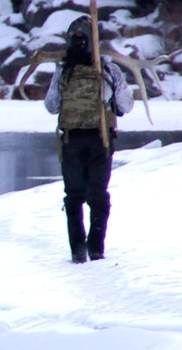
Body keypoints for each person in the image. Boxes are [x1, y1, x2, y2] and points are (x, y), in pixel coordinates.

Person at [43, 15, 132, 262]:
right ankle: (96, 248)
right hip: (100, 140)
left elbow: (51, 106)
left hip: (71, 141)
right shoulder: (109, 70)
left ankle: (77, 251)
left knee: (73, 197)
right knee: (98, 196)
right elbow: (126, 105)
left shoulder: (63, 71)